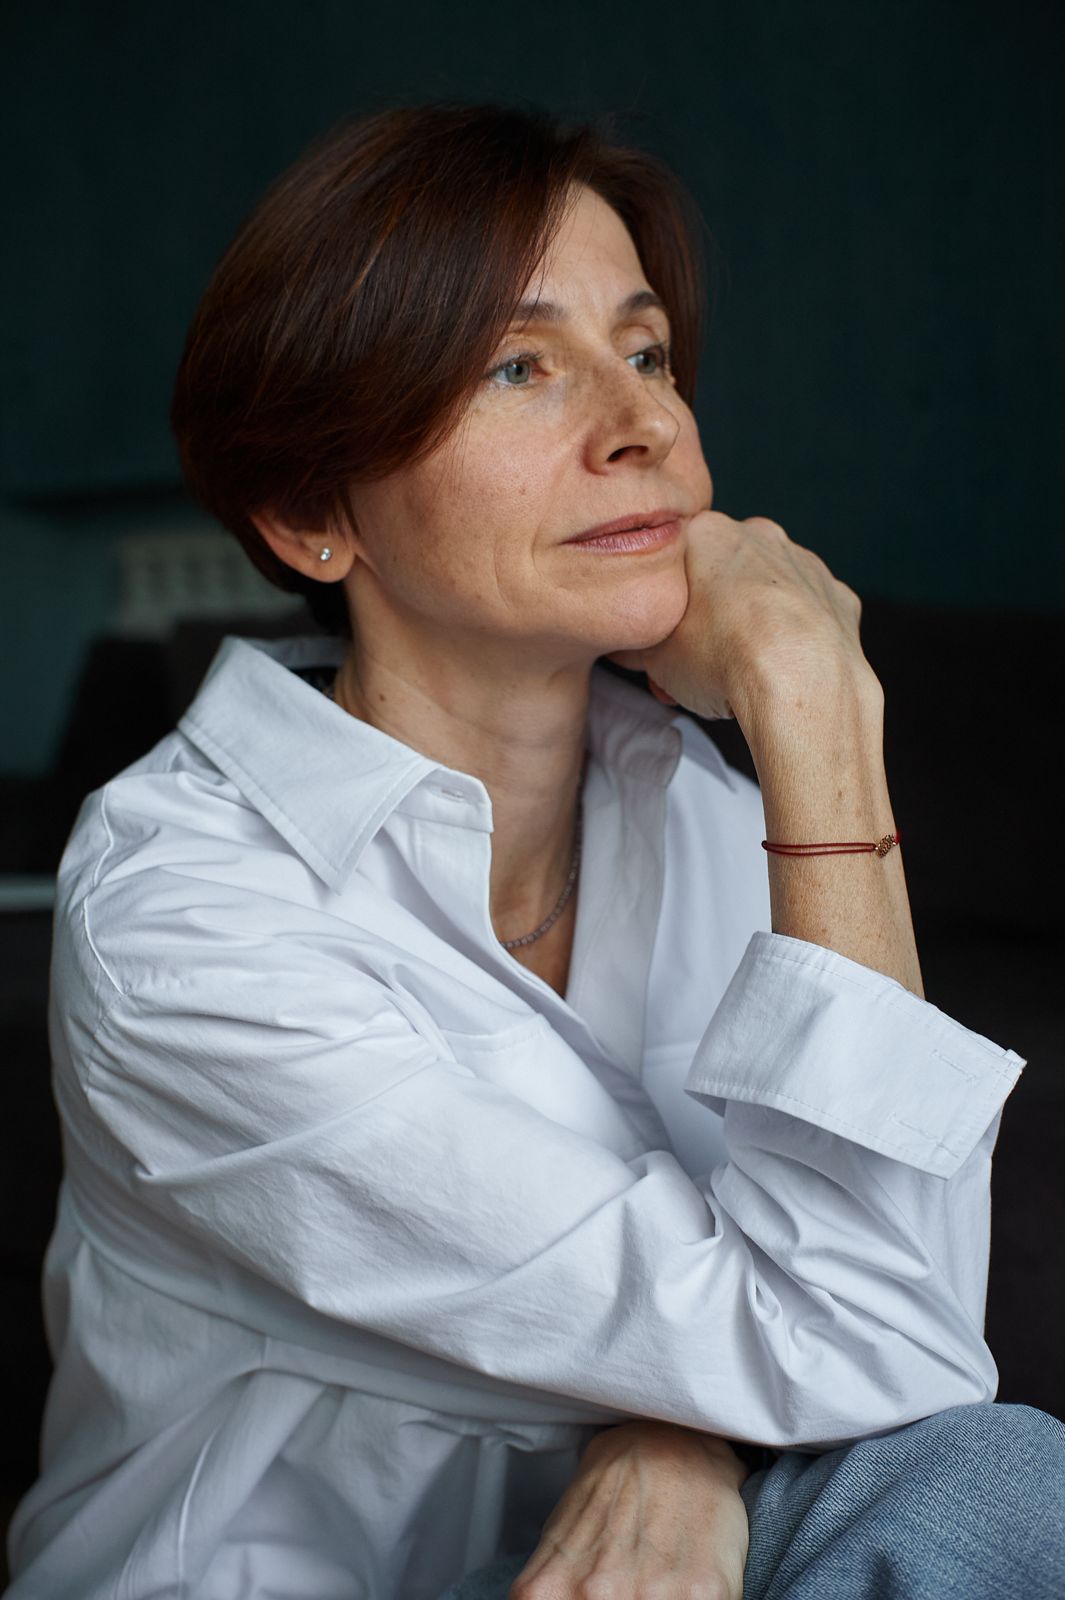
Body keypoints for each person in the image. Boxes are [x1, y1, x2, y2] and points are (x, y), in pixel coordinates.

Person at [6, 102, 1063, 1600]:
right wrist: (814, 691)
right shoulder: (185, 926)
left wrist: (677, 1435)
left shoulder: (704, 812)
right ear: (310, 510)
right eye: (519, 365)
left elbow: (907, 1355)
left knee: (997, 1482)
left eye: (648, 353)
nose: (644, 427)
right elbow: (860, 1340)